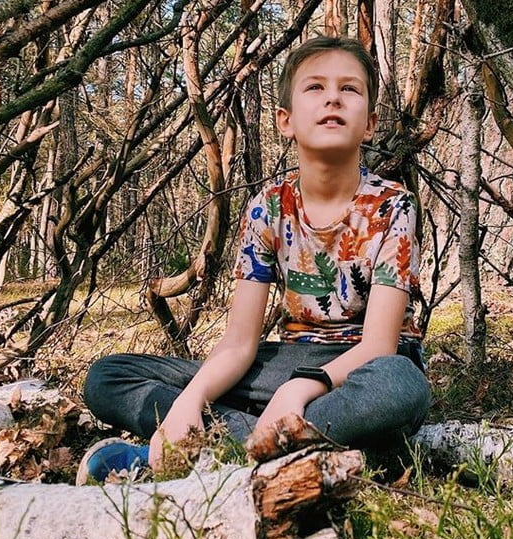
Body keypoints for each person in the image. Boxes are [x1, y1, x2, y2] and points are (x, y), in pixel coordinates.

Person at [77, 35, 432, 483]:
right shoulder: (268, 207)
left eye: (349, 88)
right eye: (315, 87)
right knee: (108, 377)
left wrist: (299, 388)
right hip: (285, 363)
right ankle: (306, 444)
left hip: (362, 369)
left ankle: (216, 448)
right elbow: (239, 344)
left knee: (400, 385)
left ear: (370, 125)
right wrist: (189, 401)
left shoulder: (393, 205)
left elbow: (379, 346)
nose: (333, 99)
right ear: (286, 120)